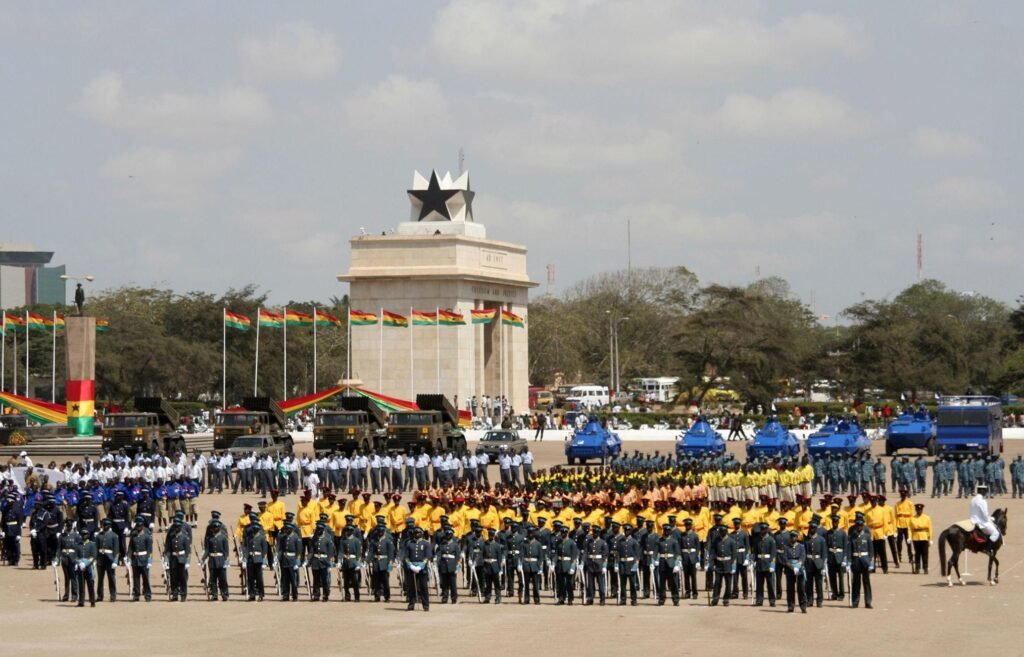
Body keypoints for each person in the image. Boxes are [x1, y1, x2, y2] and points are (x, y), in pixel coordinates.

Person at [401, 526, 432, 611]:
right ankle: (411, 603)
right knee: (411, 587)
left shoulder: (426, 543)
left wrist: (421, 566)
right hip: (411, 567)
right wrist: (410, 565)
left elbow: (428, 555)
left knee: (423, 587)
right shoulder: (409, 543)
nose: (417, 534)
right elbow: (406, 556)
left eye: (418, 533)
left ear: (421, 534)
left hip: (422, 567)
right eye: (415, 533)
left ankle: (426, 605)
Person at [203, 512, 231, 601]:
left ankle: (224, 594)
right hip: (212, 560)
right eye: (213, 527)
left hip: (220, 559)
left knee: (222, 579)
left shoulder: (223, 538)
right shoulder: (209, 538)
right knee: (213, 579)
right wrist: (203, 558)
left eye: (216, 527)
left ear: (219, 528)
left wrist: (226, 560)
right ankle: (214, 594)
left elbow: (226, 551)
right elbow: (207, 549)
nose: (214, 529)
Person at [849, 512, 874, 609]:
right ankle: (855, 602)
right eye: (857, 525)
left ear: (862, 526)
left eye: (860, 525)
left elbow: (871, 549)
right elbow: (850, 549)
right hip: (855, 561)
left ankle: (868, 601)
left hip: (865, 561)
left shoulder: (866, 536)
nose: (859, 527)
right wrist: (849, 561)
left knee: (866, 582)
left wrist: (871, 562)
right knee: (856, 582)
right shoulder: (852, 536)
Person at [127, 516, 153, 602]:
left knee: (145, 578)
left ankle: (147, 594)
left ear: (142, 526)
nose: (138, 527)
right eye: (137, 526)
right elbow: (130, 548)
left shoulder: (147, 536)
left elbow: (149, 550)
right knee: (136, 578)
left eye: (140, 526)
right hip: (135, 559)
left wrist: (149, 560)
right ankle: (136, 594)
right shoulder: (133, 535)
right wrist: (128, 557)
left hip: (144, 559)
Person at [308, 520, 335, 601]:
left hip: (324, 561)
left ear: (323, 529)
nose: (318, 530)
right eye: (317, 529)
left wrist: (329, 562)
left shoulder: (327, 539)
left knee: (324, 580)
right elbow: (311, 551)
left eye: (320, 529)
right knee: (316, 580)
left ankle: (325, 594)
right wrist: (308, 560)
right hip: (315, 561)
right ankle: (316, 594)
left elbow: (330, 552)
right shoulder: (314, 539)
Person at [165, 516, 191, 601]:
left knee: (182, 577)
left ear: (180, 527)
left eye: (177, 527)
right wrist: (166, 559)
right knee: (173, 578)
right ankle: (175, 594)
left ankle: (183, 594)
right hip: (173, 559)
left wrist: (187, 561)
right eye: (175, 527)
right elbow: (168, 549)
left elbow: (187, 550)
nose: (176, 529)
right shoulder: (171, 536)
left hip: (181, 558)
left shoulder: (184, 537)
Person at [94, 518, 120, 602]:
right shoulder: (98, 536)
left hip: (110, 559)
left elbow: (116, 550)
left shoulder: (114, 536)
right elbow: (96, 549)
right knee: (100, 579)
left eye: (106, 525)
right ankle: (100, 595)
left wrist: (115, 561)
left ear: (109, 526)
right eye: (104, 525)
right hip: (100, 559)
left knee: (111, 578)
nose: (104, 526)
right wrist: (95, 559)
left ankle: (113, 595)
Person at [782, 530, 807, 613]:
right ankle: (790, 606)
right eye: (792, 536)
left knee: (801, 588)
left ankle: (803, 606)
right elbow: (785, 559)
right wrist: (792, 567)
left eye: (794, 536)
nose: (793, 538)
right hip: (789, 569)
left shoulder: (801, 546)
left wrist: (798, 566)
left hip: (799, 568)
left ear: (797, 537)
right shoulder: (786, 547)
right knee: (790, 589)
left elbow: (803, 557)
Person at [656, 523, 681, 606]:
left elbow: (677, 553)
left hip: (671, 563)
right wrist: (654, 561)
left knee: (673, 582)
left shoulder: (674, 541)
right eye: (665, 530)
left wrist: (677, 564)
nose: (666, 532)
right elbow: (656, 552)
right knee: (662, 582)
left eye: (668, 530)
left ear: (670, 531)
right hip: (662, 562)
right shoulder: (659, 540)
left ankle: (675, 599)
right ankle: (662, 599)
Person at [276, 521, 302, 601]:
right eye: (286, 529)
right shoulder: (283, 537)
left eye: (287, 529)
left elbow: (299, 551)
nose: (286, 530)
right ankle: (285, 594)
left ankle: (294, 595)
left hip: (292, 560)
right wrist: (277, 558)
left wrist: (297, 562)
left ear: (291, 529)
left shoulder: (296, 538)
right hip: (284, 560)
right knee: (285, 579)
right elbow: (280, 549)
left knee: (293, 580)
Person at [752, 523, 776, 607]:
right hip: (759, 563)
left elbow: (773, 554)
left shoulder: (771, 540)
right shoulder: (756, 540)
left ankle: (772, 600)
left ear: (767, 530)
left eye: (764, 529)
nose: (763, 531)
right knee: (759, 584)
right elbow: (754, 552)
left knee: (770, 584)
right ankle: (759, 600)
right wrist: (753, 561)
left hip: (768, 563)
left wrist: (772, 564)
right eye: (762, 529)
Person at [435, 527, 461, 604]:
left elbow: (457, 556)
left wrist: (456, 565)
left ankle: (454, 597)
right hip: (443, 565)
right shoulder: (442, 544)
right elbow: (439, 554)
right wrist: (436, 560)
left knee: (453, 583)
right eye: (447, 534)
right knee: (445, 583)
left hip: (452, 565)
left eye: (449, 535)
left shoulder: (455, 545)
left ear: (452, 535)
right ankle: (445, 597)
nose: (448, 536)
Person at [339, 523, 364, 602]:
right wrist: (339, 561)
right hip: (346, 562)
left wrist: (358, 563)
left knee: (355, 581)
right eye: (347, 530)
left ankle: (357, 596)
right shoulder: (343, 541)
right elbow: (341, 551)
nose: (348, 532)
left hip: (353, 562)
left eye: (350, 530)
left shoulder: (356, 541)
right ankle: (347, 596)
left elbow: (358, 553)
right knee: (346, 582)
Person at [75, 528, 97, 607]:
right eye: (83, 535)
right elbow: (76, 556)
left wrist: (86, 563)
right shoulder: (78, 545)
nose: (84, 536)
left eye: (85, 534)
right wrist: (79, 562)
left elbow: (93, 556)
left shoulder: (92, 544)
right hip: (80, 567)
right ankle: (81, 601)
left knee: (90, 584)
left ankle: (92, 601)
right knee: (81, 585)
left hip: (89, 567)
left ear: (88, 535)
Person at [909, 503, 932, 574]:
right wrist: (909, 537)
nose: (919, 511)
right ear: (916, 510)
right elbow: (910, 529)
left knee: (925, 554)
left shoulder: (927, 518)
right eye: (918, 510)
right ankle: (917, 568)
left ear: (922, 510)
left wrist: (930, 539)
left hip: (924, 537)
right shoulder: (912, 518)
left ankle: (925, 568)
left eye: (920, 510)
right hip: (916, 537)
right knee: (917, 554)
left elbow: (930, 529)